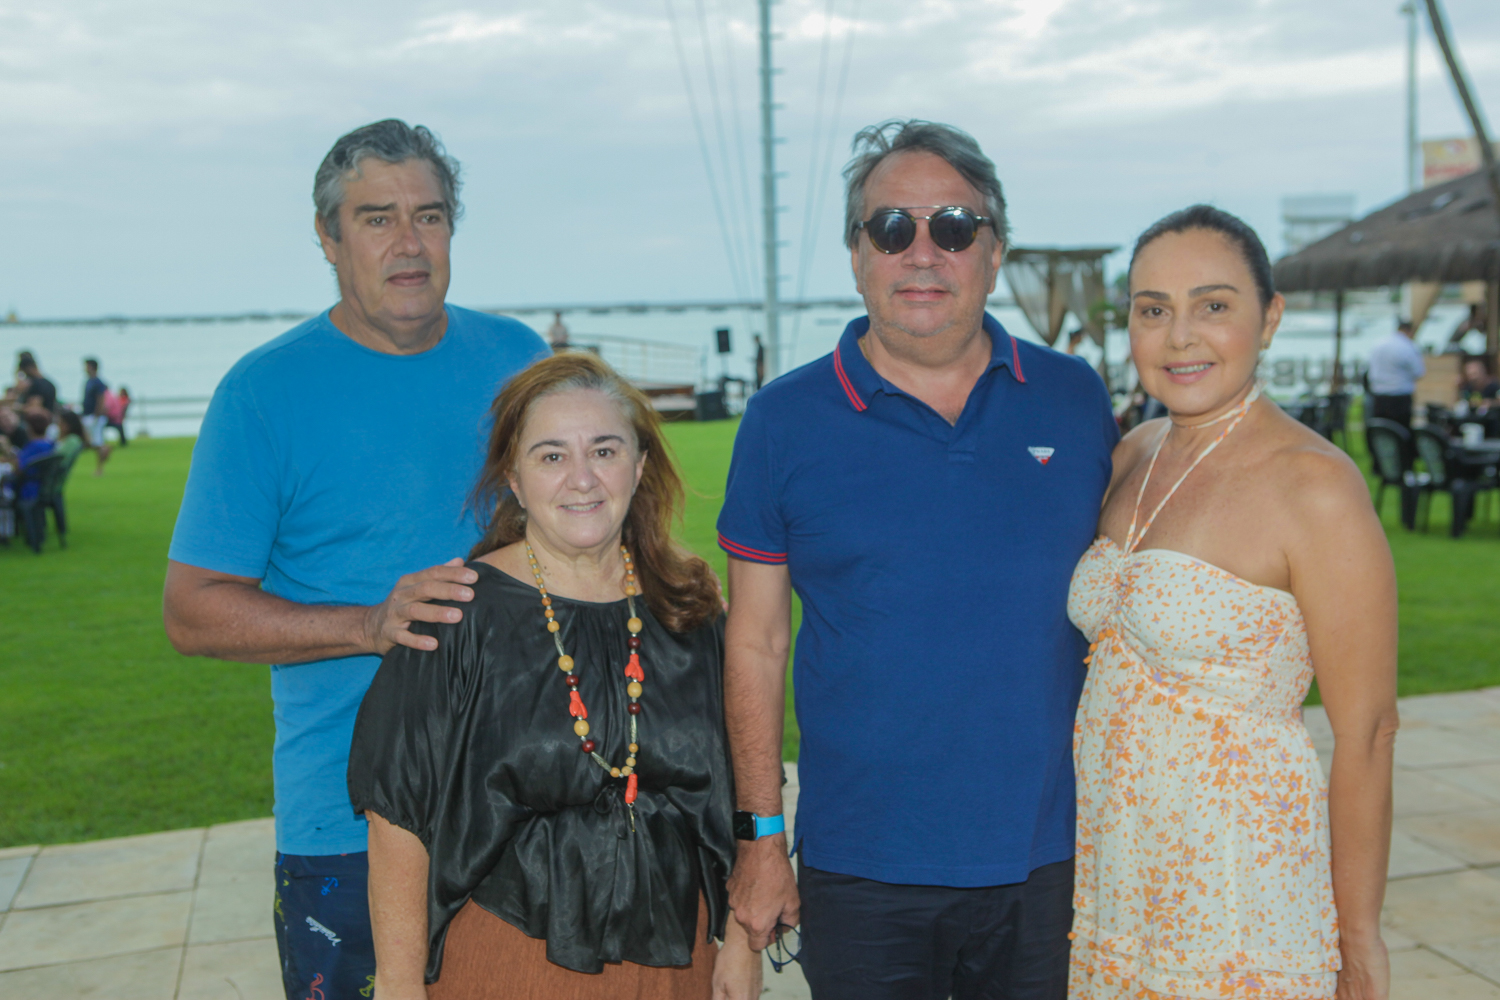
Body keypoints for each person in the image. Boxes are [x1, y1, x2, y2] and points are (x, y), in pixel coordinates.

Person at [718, 120, 1118, 1000]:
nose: (923, 252)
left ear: (995, 252)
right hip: (862, 868)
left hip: (1054, 855)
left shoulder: (1075, 398)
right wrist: (760, 837)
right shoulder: (783, 421)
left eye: (955, 226)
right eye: (892, 227)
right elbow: (755, 643)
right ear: (857, 255)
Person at [162, 119, 548, 1000]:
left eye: (429, 215)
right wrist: (370, 625)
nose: (409, 243)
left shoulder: (519, 361)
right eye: (377, 219)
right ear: (329, 238)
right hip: (346, 825)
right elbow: (191, 610)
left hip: (520, 801)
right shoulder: (263, 393)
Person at [349, 352, 760, 1000]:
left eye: (604, 450)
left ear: (639, 465)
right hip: (509, 960)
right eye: (551, 456)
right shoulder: (455, 617)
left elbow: (743, 786)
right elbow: (397, 815)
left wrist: (741, 940)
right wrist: (399, 985)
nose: (582, 479)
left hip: (679, 960)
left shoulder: (691, 608)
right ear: (514, 478)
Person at [1068, 205, 1396, 1000]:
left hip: (1240, 891)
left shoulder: (1314, 486)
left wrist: (1358, 938)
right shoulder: (1132, 454)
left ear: (1269, 317)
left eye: (1213, 305)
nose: (1181, 337)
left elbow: (1368, 732)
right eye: (1153, 310)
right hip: (1115, 881)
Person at [1367, 320, 1423, 429]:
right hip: (1400, 396)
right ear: (1410, 331)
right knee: (1401, 431)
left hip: (1379, 395)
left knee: (1382, 429)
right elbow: (1418, 372)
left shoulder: (1379, 343)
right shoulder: (1408, 346)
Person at [80, 358, 113, 474]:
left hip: (94, 417)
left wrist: (97, 415)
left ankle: (100, 468)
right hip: (88, 415)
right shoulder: (89, 381)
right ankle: (105, 450)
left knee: (97, 442)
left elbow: (101, 399)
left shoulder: (98, 383)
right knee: (90, 442)